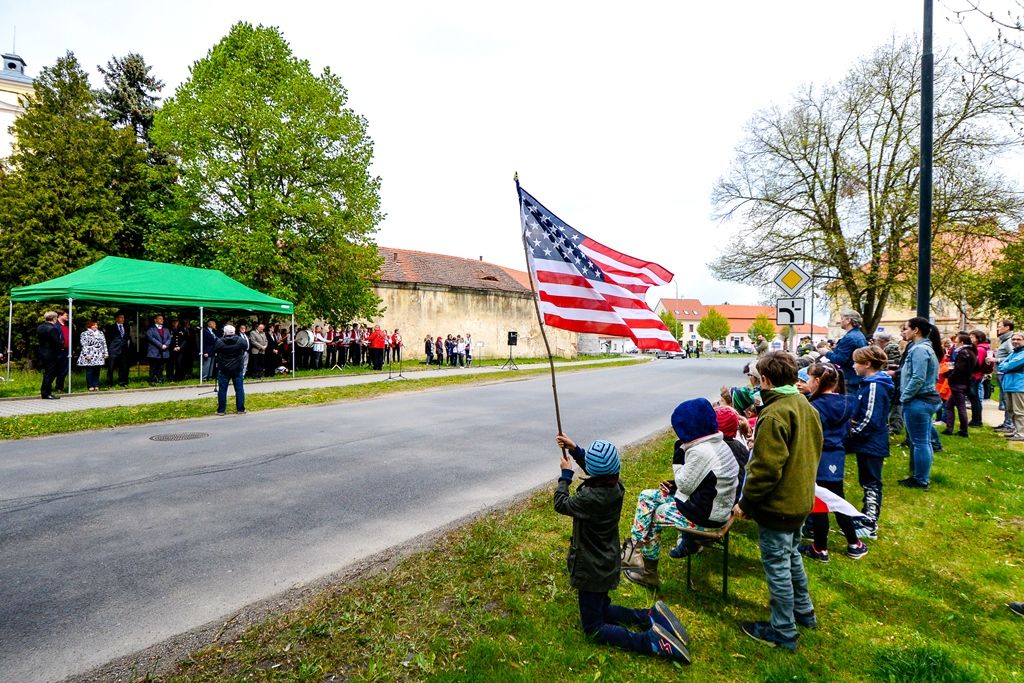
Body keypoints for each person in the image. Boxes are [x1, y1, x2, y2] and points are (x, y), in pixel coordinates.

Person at [553, 433, 691, 663]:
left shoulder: (589, 498)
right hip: (607, 561)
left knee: (594, 627)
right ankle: (647, 616)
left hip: (590, 567)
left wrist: (566, 476)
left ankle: (650, 642)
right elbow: (599, 469)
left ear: (593, 473)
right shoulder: (615, 486)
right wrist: (575, 449)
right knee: (603, 608)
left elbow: (561, 503)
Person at [733, 351, 822, 652]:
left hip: (780, 504)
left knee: (778, 566)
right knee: (792, 555)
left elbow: (765, 469)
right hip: (800, 499)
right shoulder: (804, 405)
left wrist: (746, 503)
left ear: (767, 380)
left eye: (758, 379)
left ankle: (783, 629)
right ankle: (804, 612)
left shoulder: (775, 413)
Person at [621, 398, 739, 588]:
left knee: (654, 514)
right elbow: (704, 481)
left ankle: (647, 570)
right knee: (646, 496)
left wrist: (678, 456)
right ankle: (635, 550)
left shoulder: (701, 452)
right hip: (717, 507)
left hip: (706, 517)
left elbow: (684, 484)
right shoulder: (719, 444)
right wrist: (675, 487)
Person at [798, 362, 866, 561]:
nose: (807, 383)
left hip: (818, 458)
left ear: (817, 381)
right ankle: (854, 543)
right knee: (838, 500)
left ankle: (820, 547)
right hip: (837, 456)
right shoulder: (847, 402)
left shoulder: (814, 406)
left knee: (819, 503)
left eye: (809, 379)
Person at [846, 346, 894, 541]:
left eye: (856, 362)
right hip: (868, 442)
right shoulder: (867, 383)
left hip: (871, 442)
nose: (853, 365)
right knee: (866, 480)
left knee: (872, 482)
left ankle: (870, 523)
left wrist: (852, 433)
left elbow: (869, 418)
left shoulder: (875, 385)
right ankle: (866, 515)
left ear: (867, 364)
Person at [899, 317, 943, 489]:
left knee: (920, 442)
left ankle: (920, 479)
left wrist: (905, 397)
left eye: (906, 328)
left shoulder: (919, 350)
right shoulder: (926, 348)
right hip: (924, 399)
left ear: (915, 330)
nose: (905, 331)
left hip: (918, 401)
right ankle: (921, 476)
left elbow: (918, 377)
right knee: (923, 441)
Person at [942, 332, 976, 438]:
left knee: (960, 407)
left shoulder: (963, 352)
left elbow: (959, 369)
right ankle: (949, 428)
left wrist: (949, 375)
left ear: (961, 342)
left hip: (959, 383)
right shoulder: (970, 352)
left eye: (956, 341)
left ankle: (963, 430)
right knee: (949, 405)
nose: (954, 343)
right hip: (963, 382)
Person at [826, 310, 869, 391]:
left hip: (849, 378)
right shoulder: (859, 335)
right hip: (856, 377)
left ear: (848, 320)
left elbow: (840, 359)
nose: (840, 321)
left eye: (842, 318)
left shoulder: (849, 337)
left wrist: (826, 353)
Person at [214, 324, 248, 415]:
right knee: (239, 389)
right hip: (237, 368)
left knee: (222, 390)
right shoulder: (241, 341)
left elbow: (215, 350)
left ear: (224, 332)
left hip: (224, 369)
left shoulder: (220, 341)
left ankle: (221, 410)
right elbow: (245, 348)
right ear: (234, 332)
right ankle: (240, 409)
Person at [996, 332, 1024, 442]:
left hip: (1019, 385)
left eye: (1018, 339)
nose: (1015, 342)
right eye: (1013, 339)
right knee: (1011, 410)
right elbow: (1003, 365)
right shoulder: (1013, 353)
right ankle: (1016, 430)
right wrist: (1006, 366)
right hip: (1009, 385)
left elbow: (1009, 365)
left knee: (1020, 411)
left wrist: (1006, 366)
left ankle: (1021, 433)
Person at [37, 311, 64, 399]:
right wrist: (61, 344)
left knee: (47, 373)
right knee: (50, 374)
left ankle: (45, 391)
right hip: (51, 354)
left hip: (42, 353)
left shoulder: (40, 327)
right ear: (54, 318)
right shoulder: (52, 329)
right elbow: (57, 342)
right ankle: (46, 393)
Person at [994, 320, 1016, 432]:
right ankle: (1006, 423)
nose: (998, 328)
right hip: (1000, 373)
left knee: (1007, 400)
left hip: (1004, 374)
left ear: (1007, 327)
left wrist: (996, 359)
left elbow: (1014, 357)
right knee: (1005, 399)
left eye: (999, 326)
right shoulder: (1004, 340)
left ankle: (1009, 424)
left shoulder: (1009, 341)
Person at [77, 320, 108, 391]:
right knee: (89, 371)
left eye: (96, 325)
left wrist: (106, 353)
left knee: (97, 370)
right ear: (89, 326)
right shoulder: (84, 333)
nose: (96, 326)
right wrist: (86, 354)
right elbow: (83, 345)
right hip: (89, 355)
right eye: (94, 325)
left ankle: (96, 385)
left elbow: (104, 343)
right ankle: (90, 385)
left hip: (99, 354)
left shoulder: (100, 333)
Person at [968, 329, 991, 427]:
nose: (970, 338)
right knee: (975, 398)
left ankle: (976, 420)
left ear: (978, 338)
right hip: (977, 375)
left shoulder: (980, 349)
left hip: (975, 376)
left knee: (975, 399)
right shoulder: (982, 348)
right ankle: (976, 419)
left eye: (972, 337)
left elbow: (977, 363)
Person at [104, 313, 133, 388]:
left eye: (123, 317)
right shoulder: (111, 327)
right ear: (116, 319)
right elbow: (108, 339)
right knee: (111, 367)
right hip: (113, 350)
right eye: (120, 317)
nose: (122, 319)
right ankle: (109, 383)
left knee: (123, 367)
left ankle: (123, 382)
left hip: (124, 351)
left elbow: (127, 338)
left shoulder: (126, 327)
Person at [146, 315, 171, 384]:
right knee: (153, 367)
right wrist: (160, 345)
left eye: (162, 319)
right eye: (159, 318)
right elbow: (151, 338)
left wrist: (166, 345)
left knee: (161, 367)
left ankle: (160, 379)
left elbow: (169, 338)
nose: (161, 320)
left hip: (164, 351)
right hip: (154, 351)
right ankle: (152, 380)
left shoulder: (166, 329)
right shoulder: (151, 328)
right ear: (155, 320)